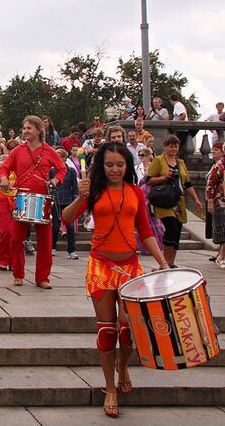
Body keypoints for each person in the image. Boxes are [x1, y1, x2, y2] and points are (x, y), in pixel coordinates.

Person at [61, 141, 168, 418]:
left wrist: (163, 261)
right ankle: (110, 388)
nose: (115, 169)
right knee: (107, 331)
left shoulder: (134, 192)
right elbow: (67, 218)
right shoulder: (93, 190)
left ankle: (124, 365)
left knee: (128, 330)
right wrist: (80, 196)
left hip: (130, 267)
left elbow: (145, 231)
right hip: (101, 266)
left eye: (120, 165)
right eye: (109, 165)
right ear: (101, 166)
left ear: (127, 166)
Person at [0, 115, 66, 288]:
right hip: (21, 197)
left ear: (38, 130)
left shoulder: (49, 150)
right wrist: (4, 178)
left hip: (42, 197)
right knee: (15, 238)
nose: (25, 131)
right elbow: (5, 167)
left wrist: (55, 181)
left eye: (29, 128)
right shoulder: (18, 150)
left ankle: (42, 278)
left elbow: (62, 169)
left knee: (45, 240)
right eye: (24, 128)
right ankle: (18, 274)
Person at [145, 134, 203, 267]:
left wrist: (196, 200)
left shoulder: (181, 163)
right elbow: (148, 180)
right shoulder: (159, 160)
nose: (174, 149)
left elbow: (187, 183)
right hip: (164, 200)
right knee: (170, 228)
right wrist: (164, 177)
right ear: (165, 147)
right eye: (171, 146)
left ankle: (171, 262)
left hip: (179, 200)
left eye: (176, 146)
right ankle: (164, 262)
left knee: (176, 231)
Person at [51, 149, 79, 259]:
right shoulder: (52, 171)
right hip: (56, 200)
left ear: (64, 158)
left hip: (68, 200)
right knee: (55, 226)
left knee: (70, 226)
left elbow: (75, 187)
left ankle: (71, 250)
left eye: (60, 157)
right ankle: (53, 247)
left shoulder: (71, 171)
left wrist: (75, 200)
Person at [206, 142, 225, 268]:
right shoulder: (219, 166)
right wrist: (211, 201)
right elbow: (211, 184)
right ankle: (221, 256)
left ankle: (221, 255)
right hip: (221, 201)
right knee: (222, 230)